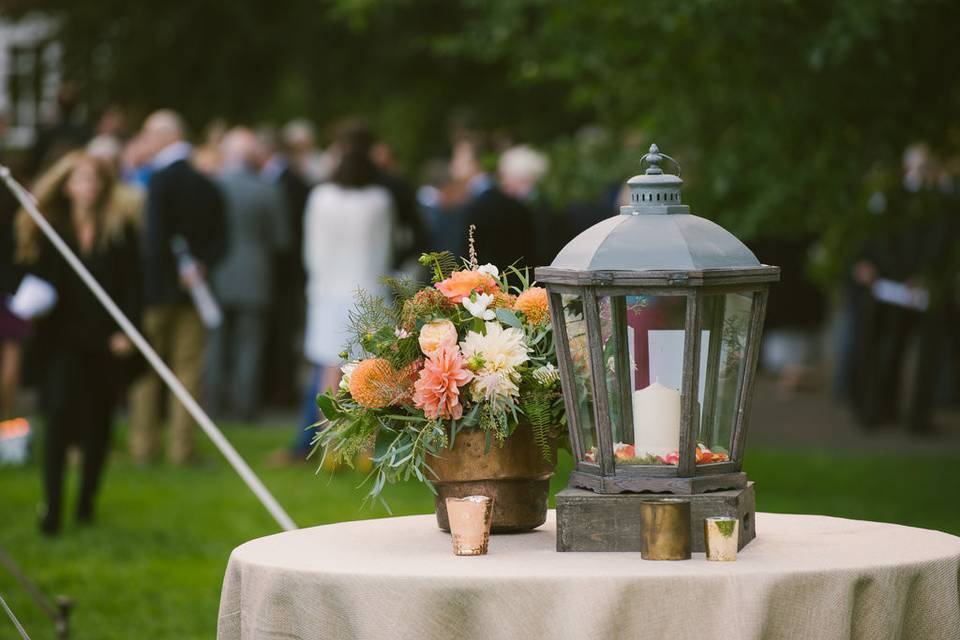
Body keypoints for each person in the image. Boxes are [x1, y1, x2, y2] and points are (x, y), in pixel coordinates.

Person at [15, 152, 141, 534]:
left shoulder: (118, 230)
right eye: (82, 179)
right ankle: (52, 509)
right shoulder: (50, 228)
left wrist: (127, 331)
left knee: (98, 425)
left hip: (104, 341)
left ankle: (86, 503)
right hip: (62, 340)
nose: (89, 187)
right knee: (58, 418)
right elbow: (32, 274)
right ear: (67, 185)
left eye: (95, 180)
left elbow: (133, 283)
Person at [289, 120, 394, 458]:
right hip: (367, 290)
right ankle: (365, 448)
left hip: (327, 290)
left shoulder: (320, 197)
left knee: (329, 370)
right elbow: (385, 249)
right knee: (370, 370)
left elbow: (311, 250)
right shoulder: (379, 200)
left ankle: (330, 444)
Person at [128, 110, 226, 465]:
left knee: (148, 370)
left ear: (167, 136)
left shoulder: (157, 181)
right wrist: (200, 265)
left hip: (157, 291)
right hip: (194, 291)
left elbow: (153, 242)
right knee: (187, 371)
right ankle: (181, 448)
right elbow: (221, 239)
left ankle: (143, 446)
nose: (145, 139)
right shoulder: (207, 183)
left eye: (149, 133)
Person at [206, 128, 289, 419]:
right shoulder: (267, 190)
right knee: (249, 347)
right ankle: (245, 407)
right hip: (256, 274)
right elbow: (282, 239)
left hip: (217, 274)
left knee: (215, 344)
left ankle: (213, 406)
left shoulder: (213, 186)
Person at [257, 126, 311, 408]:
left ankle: (280, 393)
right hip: (280, 272)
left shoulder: (289, 183)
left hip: (285, 273)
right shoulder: (285, 180)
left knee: (283, 333)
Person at [457, 137, 536, 270]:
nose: (455, 164)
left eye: (459, 158)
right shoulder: (510, 202)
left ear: (474, 163)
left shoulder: (477, 204)